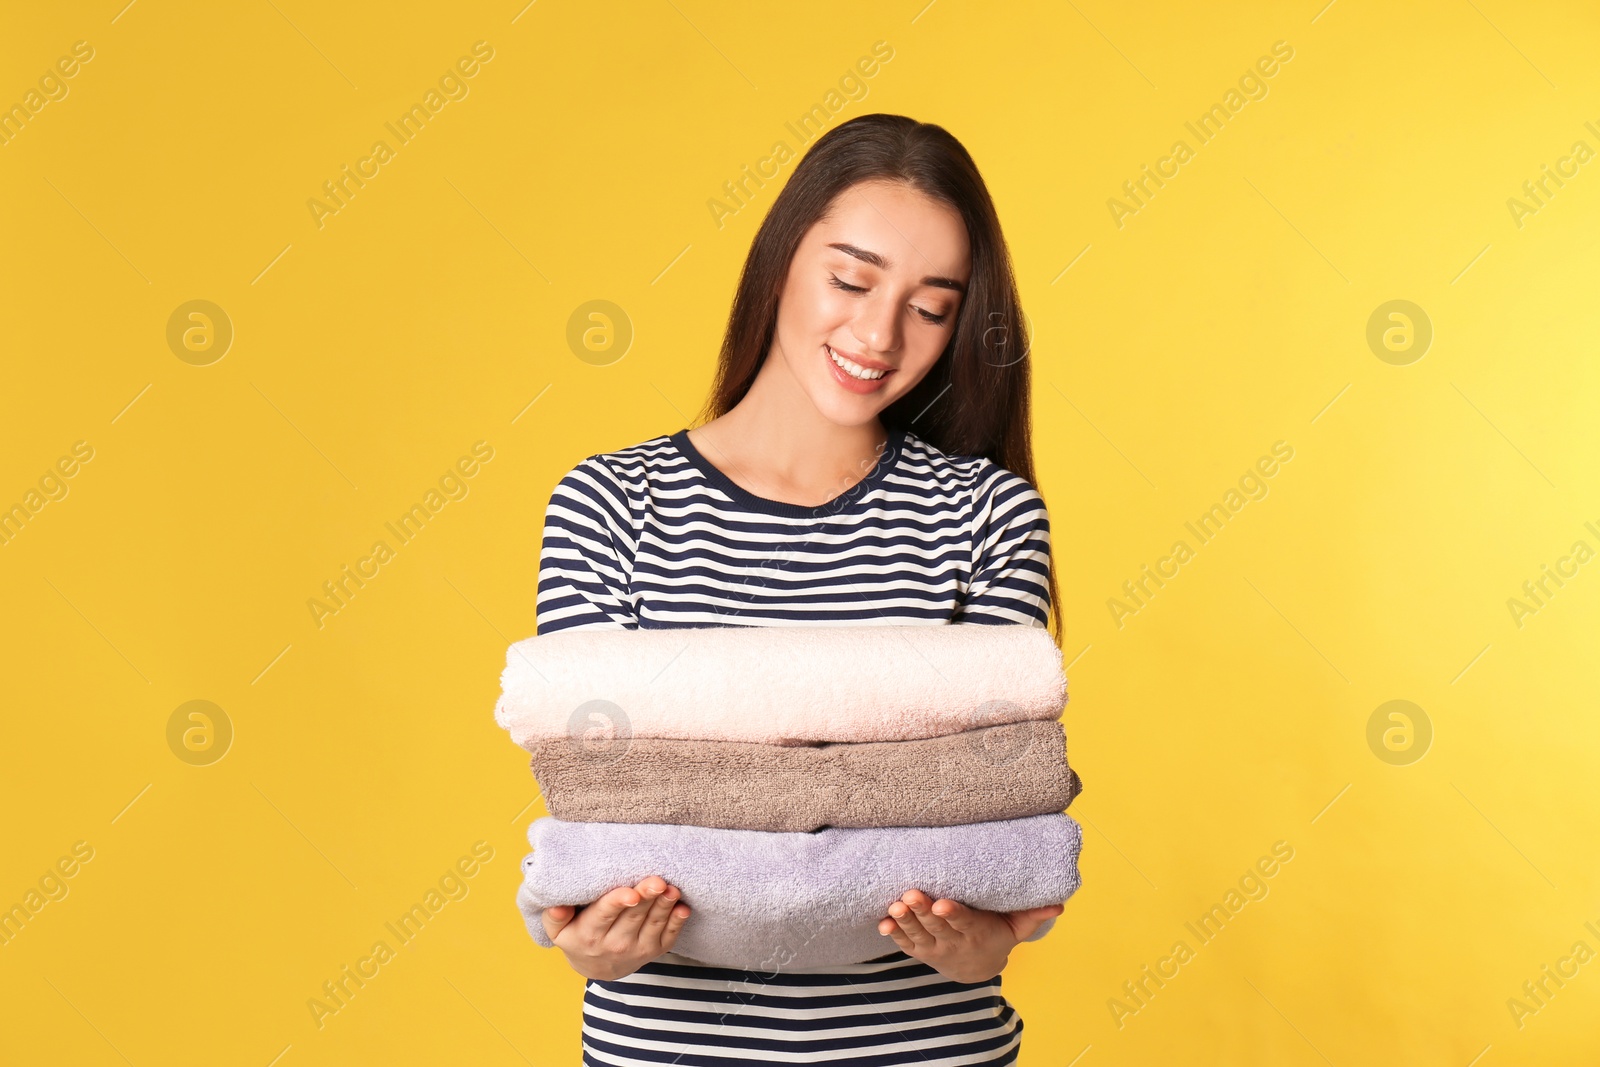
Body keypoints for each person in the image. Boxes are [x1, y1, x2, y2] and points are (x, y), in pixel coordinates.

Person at [532, 112, 1068, 1065]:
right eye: (852, 279)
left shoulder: (986, 514)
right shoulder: (611, 503)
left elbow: (997, 799)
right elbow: (595, 797)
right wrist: (588, 936)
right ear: (781, 259)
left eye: (930, 306)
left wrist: (999, 936)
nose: (878, 331)